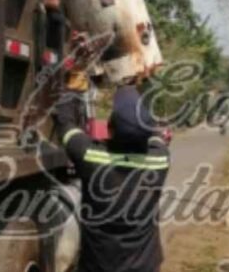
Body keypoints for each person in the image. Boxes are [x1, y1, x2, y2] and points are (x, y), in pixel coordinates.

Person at [52, 82, 170, 272]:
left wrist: (71, 89)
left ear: (110, 129)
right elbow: (157, 137)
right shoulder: (160, 160)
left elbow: (66, 124)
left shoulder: (91, 156)